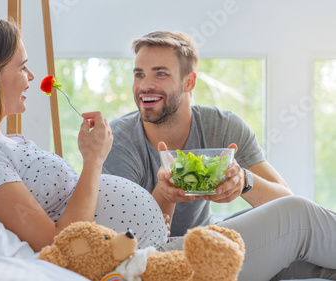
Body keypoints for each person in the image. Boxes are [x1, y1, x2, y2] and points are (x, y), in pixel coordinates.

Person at [0, 18, 336, 280]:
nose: (31, 76)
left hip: (155, 250)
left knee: (310, 266)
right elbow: (58, 245)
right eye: (21, 66)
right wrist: (93, 161)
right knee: (296, 217)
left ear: (189, 82)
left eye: (161, 74)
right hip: (151, 262)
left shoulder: (5, 142)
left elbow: (117, 223)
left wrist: (234, 184)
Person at [102, 30, 293, 237]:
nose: (145, 85)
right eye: (139, 74)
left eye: (160, 74)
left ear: (189, 82)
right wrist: (164, 194)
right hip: (152, 254)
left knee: (287, 224)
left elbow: (289, 205)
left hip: (208, 245)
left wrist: (244, 181)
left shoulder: (224, 127)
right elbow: (124, 241)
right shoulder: (119, 140)